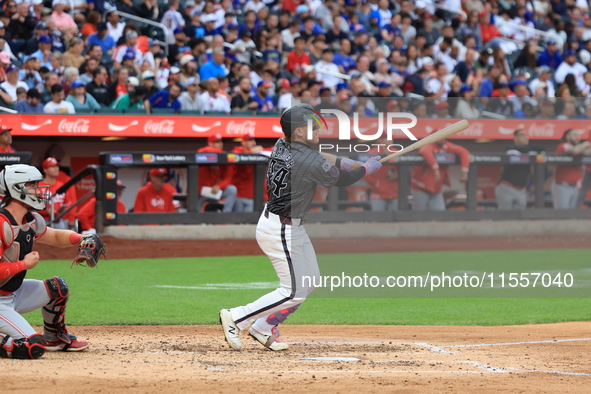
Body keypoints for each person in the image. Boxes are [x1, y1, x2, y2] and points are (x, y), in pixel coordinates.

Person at [219, 104, 382, 351]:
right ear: (297, 132)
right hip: (281, 230)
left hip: (287, 226)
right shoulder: (307, 159)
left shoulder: (281, 143)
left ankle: (262, 327)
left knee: (310, 281)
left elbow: (321, 159)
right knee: (293, 291)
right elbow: (342, 179)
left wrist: (347, 161)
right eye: (311, 127)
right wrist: (365, 169)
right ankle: (237, 317)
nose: (317, 130)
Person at [0, 164, 94, 359]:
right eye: (33, 185)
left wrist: (82, 239)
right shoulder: (2, 223)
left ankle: (54, 338)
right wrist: (24, 265)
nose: (39, 190)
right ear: (17, 188)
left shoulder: (30, 219)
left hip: (11, 293)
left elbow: (55, 236)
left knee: (57, 287)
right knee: (30, 347)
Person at [411, 138, 470, 211]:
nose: (442, 139)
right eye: (440, 136)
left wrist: (464, 172)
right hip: (420, 187)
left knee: (440, 212)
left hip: (436, 188)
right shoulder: (429, 144)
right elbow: (424, 150)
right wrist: (435, 168)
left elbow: (464, 151)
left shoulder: (445, 145)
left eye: (444, 136)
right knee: (419, 214)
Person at [496, 129, 545, 210]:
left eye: (526, 135)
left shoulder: (528, 149)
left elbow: (542, 148)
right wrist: (529, 152)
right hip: (506, 187)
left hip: (521, 190)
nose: (526, 138)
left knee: (519, 217)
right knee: (505, 217)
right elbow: (513, 152)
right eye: (522, 135)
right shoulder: (510, 148)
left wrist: (527, 151)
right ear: (516, 138)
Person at [197, 134, 239, 212]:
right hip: (201, 191)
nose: (220, 144)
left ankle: (225, 216)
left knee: (232, 189)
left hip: (214, 190)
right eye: (217, 142)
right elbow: (203, 150)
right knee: (197, 208)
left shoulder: (225, 158)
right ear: (210, 144)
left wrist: (219, 186)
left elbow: (228, 179)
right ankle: (197, 221)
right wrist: (223, 154)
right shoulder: (204, 153)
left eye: (221, 141)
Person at [554, 129, 590, 209]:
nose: (577, 137)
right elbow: (575, 151)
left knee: (572, 215)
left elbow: (587, 152)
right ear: (567, 137)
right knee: (562, 214)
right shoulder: (563, 145)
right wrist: (586, 144)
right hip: (563, 186)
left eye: (578, 135)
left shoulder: (579, 147)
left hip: (574, 187)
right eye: (574, 135)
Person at [38, 157, 77, 230]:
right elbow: (32, 207)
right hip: (43, 220)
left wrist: (66, 211)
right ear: (45, 170)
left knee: (64, 235)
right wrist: (46, 212)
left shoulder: (62, 186)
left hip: (59, 219)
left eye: (57, 166)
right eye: (52, 166)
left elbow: (68, 203)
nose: (56, 168)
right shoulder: (39, 186)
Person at [365, 133, 398, 211]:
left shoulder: (397, 152)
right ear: (380, 140)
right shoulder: (372, 153)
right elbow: (365, 172)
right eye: (386, 138)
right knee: (378, 219)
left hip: (395, 192)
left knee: (396, 219)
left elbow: (405, 169)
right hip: (378, 192)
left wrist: (397, 174)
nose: (390, 140)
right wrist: (376, 184)